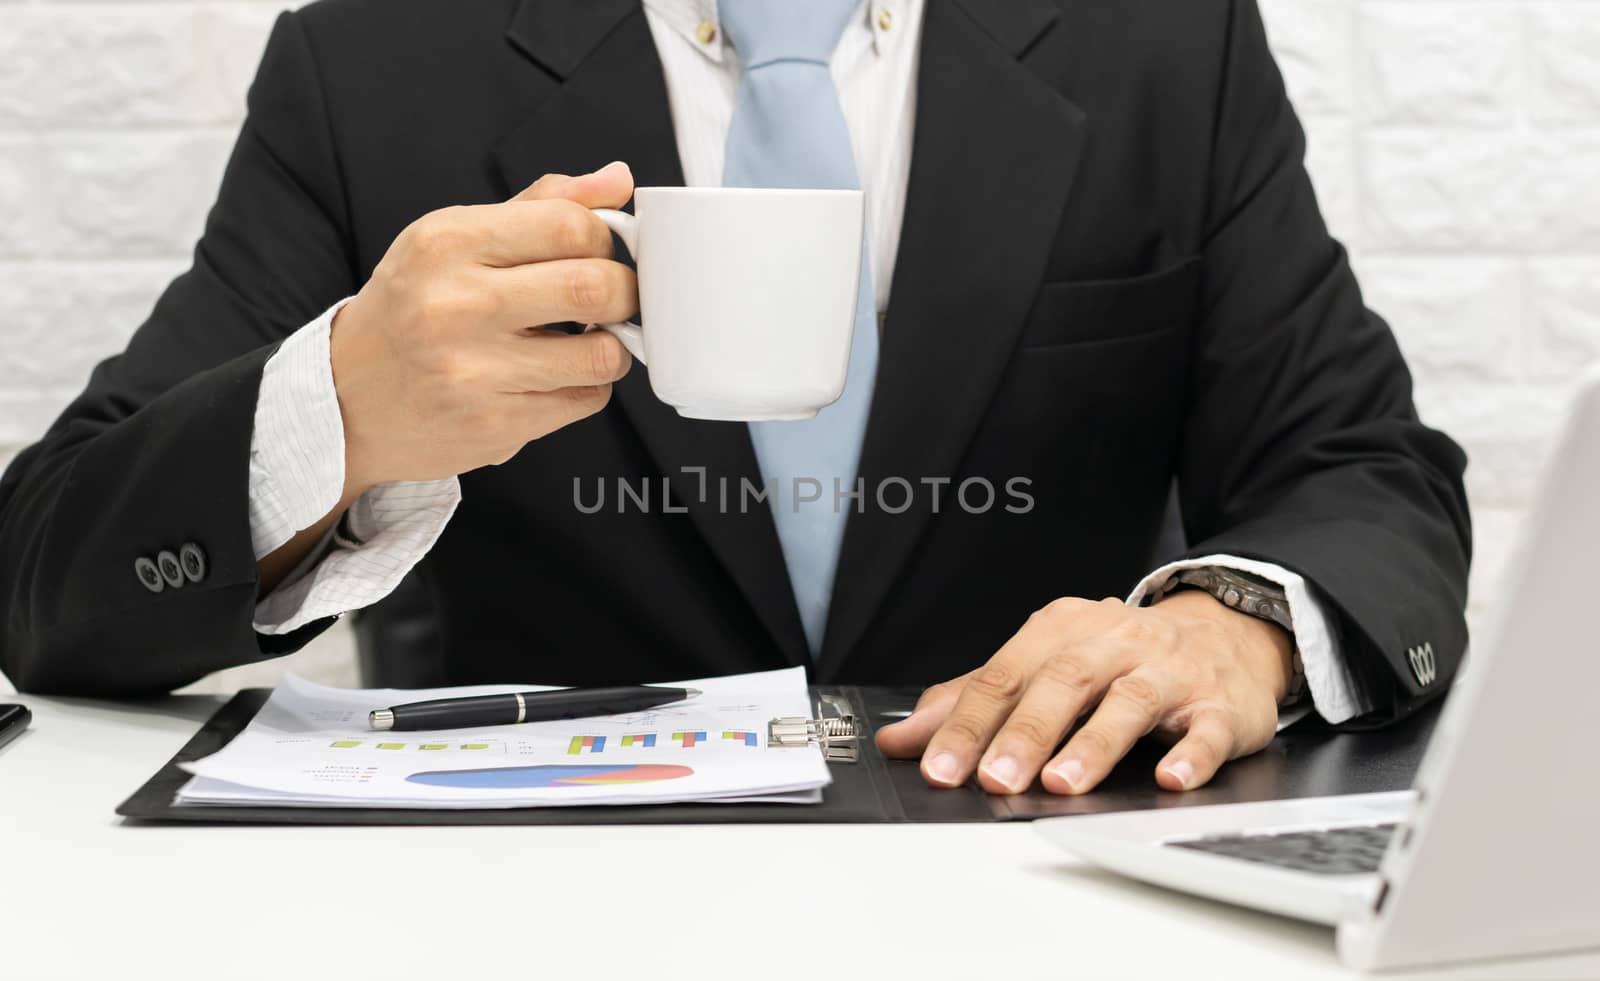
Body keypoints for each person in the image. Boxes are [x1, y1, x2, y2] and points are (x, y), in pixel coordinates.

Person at [0, 0, 1470, 798]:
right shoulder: (369, 65)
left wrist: (1237, 624)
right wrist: (338, 407)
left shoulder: (1166, 43)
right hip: (516, 913)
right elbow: (45, 571)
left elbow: (1359, 468)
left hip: (1043, 871)